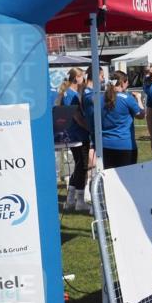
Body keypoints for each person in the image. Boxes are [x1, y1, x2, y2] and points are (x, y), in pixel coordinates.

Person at [83, 71, 143, 169]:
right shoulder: (127, 98)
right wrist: (139, 99)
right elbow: (141, 115)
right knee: (127, 178)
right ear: (123, 82)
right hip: (124, 145)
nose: (128, 84)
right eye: (127, 82)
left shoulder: (100, 99)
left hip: (105, 146)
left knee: (110, 178)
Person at [57, 68, 91, 212]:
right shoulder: (71, 95)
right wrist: (90, 128)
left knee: (78, 165)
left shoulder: (67, 93)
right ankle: (80, 200)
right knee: (82, 166)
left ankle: (71, 199)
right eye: (81, 76)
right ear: (76, 77)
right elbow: (77, 116)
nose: (83, 79)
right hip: (79, 135)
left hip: (73, 134)